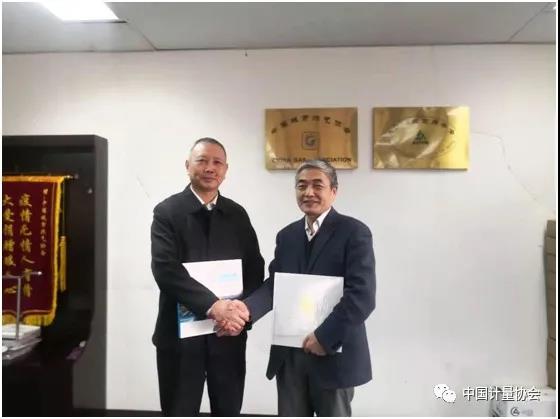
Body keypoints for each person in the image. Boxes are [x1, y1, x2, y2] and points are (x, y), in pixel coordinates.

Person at [219, 159, 376, 416]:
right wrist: (246, 310)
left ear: (333, 191)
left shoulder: (354, 232)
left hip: (332, 351)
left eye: (317, 185)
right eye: (301, 186)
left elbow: (362, 296)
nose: (308, 192)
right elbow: (275, 285)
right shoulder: (287, 236)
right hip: (289, 355)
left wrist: (324, 338)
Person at [150, 137, 264, 416]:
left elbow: (254, 268)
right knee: (178, 410)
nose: (210, 168)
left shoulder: (237, 214)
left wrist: (241, 313)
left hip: (227, 335)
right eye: (202, 161)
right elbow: (166, 269)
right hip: (179, 338)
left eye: (217, 162)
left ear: (225, 170)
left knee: (228, 410)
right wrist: (214, 306)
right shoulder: (167, 212)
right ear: (187, 166)